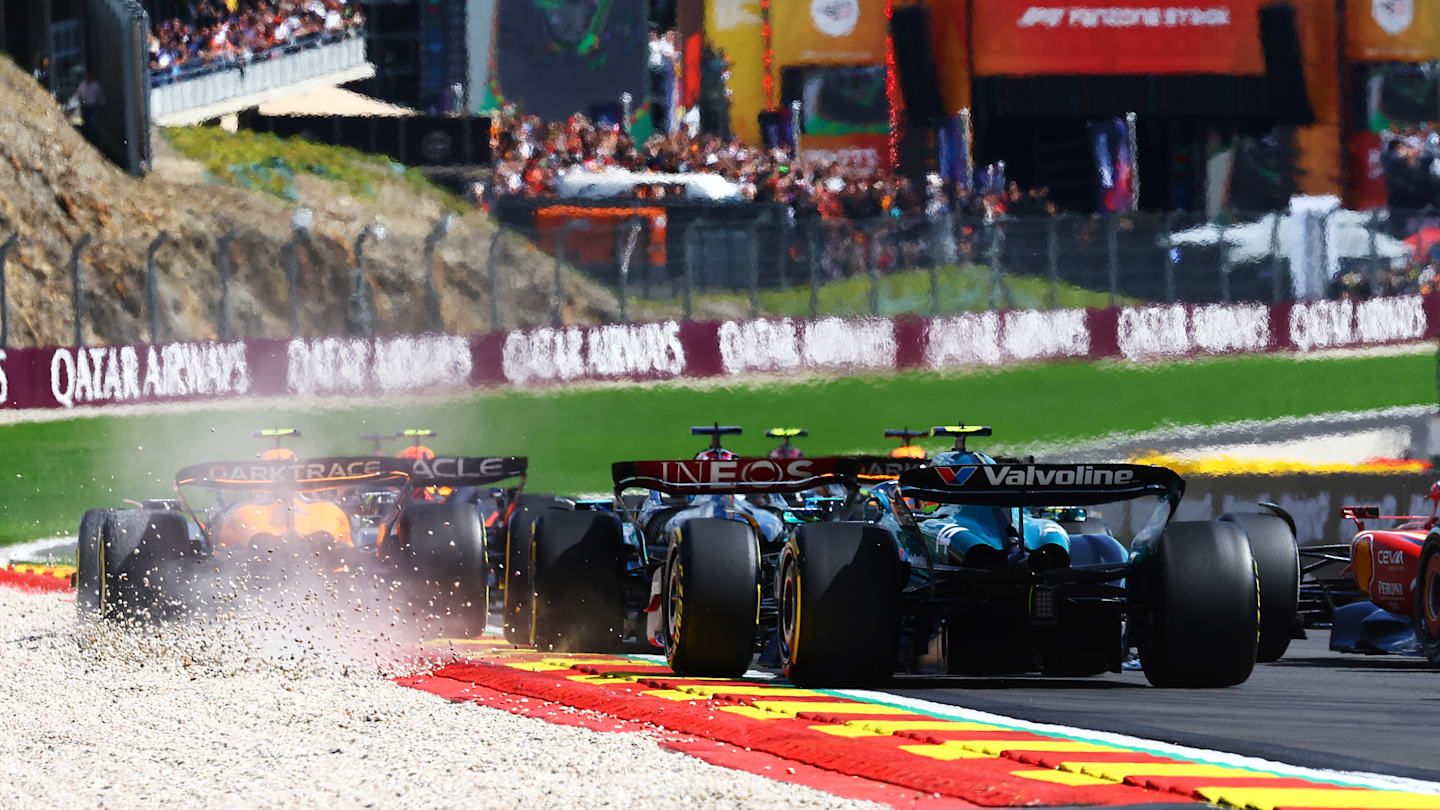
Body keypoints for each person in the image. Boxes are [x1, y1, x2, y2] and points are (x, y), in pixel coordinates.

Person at [75, 70, 105, 144]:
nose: (88, 77)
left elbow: (100, 96)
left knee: (93, 123)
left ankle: (95, 140)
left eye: (89, 76)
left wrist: (101, 106)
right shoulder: (82, 85)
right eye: (87, 76)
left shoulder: (96, 85)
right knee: (87, 123)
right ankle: (88, 139)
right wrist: (81, 101)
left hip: (93, 106)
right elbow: (78, 95)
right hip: (85, 107)